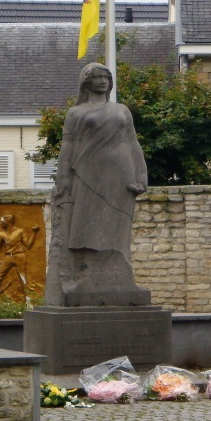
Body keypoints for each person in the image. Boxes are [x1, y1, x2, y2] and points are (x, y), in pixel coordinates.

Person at [46, 62, 150, 306]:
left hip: (122, 175)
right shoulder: (76, 113)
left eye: (106, 77)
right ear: (87, 82)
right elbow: (68, 147)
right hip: (88, 175)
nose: (103, 81)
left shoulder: (122, 110)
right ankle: (86, 273)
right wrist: (62, 178)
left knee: (118, 225)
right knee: (87, 221)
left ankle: (117, 275)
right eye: (97, 77)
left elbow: (133, 144)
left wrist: (142, 175)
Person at [0, 213, 40, 298]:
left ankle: (28, 301)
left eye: (2, 221)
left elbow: (28, 245)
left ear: (8, 222)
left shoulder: (20, 231)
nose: (0, 223)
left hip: (20, 256)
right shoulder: (1, 234)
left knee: (23, 279)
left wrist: (34, 233)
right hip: (8, 257)